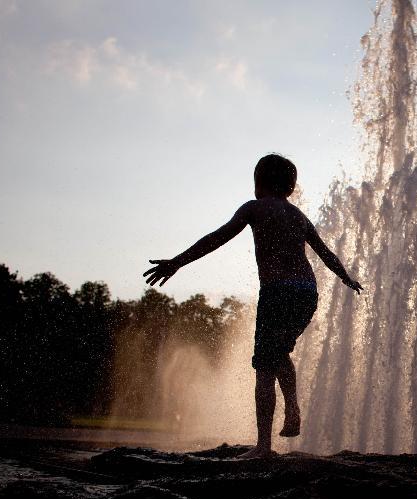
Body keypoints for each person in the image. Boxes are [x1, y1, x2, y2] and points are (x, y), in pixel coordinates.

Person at [144, 154, 363, 459]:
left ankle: (263, 446)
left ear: (259, 182)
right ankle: (293, 408)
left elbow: (217, 238)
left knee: (264, 366)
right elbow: (324, 252)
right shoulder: (298, 215)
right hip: (306, 293)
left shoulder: (254, 208)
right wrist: (347, 279)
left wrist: (177, 262)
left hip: (277, 292)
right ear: (291, 186)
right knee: (277, 352)